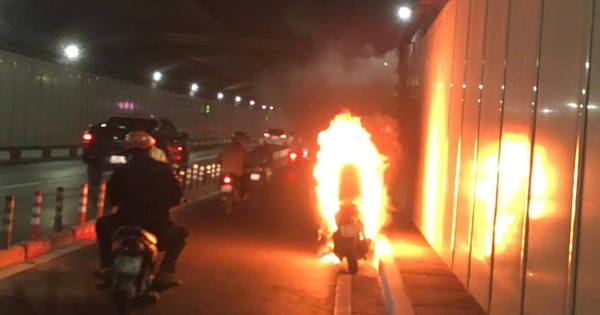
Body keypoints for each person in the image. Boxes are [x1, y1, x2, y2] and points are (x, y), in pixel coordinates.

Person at [94, 130, 187, 287]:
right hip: (157, 226)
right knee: (180, 235)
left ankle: (107, 265)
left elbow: (113, 199)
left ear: (128, 150)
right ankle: (165, 272)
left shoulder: (122, 170)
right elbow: (176, 198)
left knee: (101, 225)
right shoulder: (164, 170)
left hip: (124, 224)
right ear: (150, 149)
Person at [218, 131, 250, 198]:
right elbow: (247, 161)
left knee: (221, 180)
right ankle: (246, 194)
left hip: (226, 173)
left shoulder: (226, 148)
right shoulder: (242, 150)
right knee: (246, 178)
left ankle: (224, 195)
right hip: (238, 174)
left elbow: (219, 159)